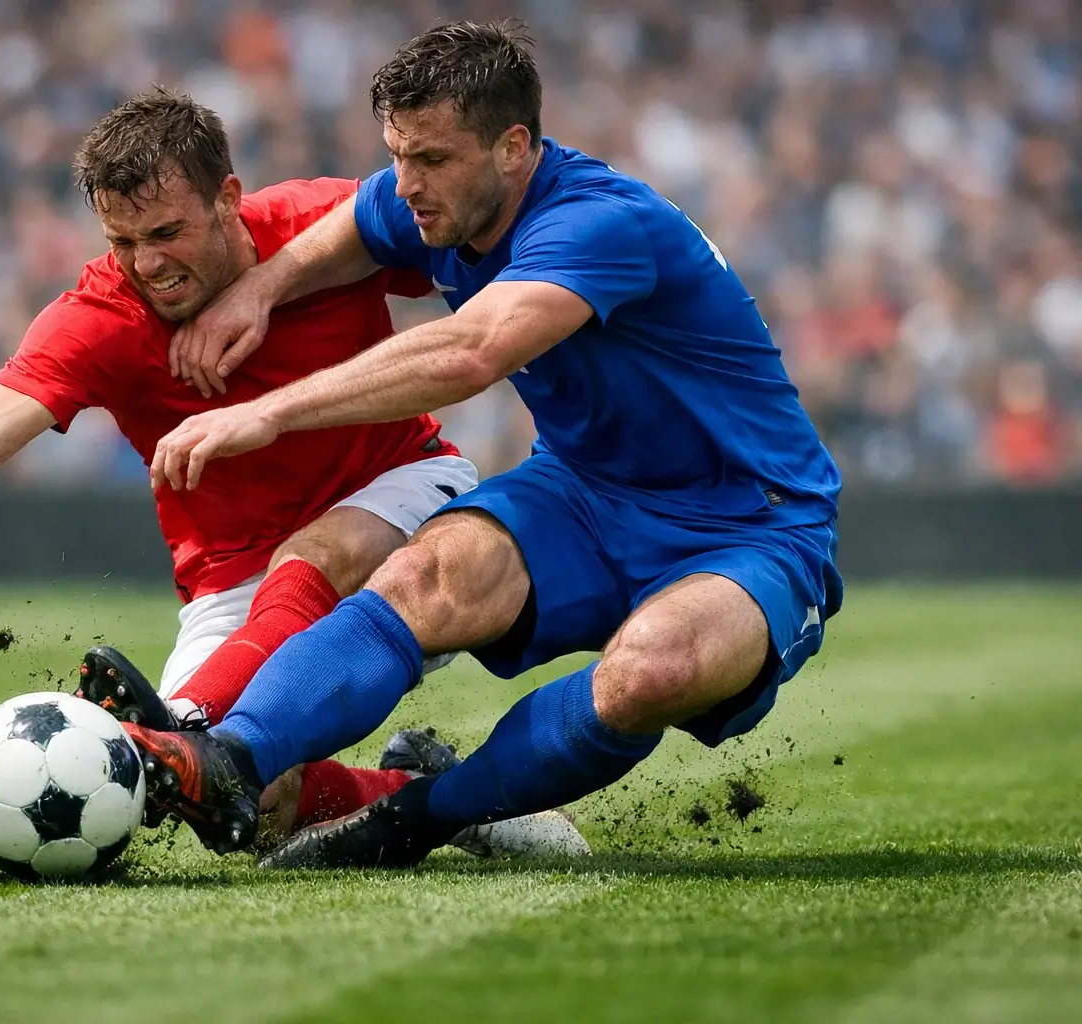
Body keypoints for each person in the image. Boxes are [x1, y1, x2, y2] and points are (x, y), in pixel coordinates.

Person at [0, 88, 585, 859]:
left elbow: (484, 235)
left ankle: (193, 718)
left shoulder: (320, 221)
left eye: (165, 233)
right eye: (121, 241)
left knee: (300, 578)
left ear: (229, 196)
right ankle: (431, 793)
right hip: (232, 582)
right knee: (243, 808)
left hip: (403, 498)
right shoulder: (99, 318)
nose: (145, 264)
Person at [119, 20, 845, 868]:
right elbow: (358, 222)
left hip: (752, 523)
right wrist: (265, 289)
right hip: (584, 489)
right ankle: (227, 759)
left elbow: (475, 350)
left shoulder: (600, 223)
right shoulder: (442, 199)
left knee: (652, 673)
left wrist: (271, 411)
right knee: (426, 575)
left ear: (513, 147)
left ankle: (419, 816)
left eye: (431, 159)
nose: (408, 183)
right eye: (398, 154)